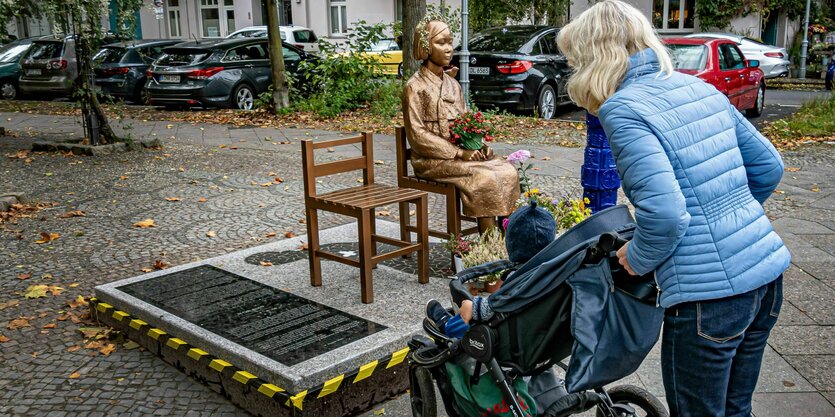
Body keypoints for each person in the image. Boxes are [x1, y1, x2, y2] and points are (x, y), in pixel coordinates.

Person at [552, 1, 791, 416]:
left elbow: (665, 216)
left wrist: (639, 258)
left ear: (594, 57)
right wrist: (729, 222)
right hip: (766, 277)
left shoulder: (623, 108)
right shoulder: (697, 86)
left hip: (709, 300)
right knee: (736, 410)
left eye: (575, 60)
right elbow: (769, 168)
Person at [402, 18, 519, 233]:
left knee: (507, 170)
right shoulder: (414, 87)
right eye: (441, 43)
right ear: (426, 47)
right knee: (484, 177)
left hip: (460, 154)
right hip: (430, 160)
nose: (448, 49)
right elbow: (417, 135)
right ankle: (490, 245)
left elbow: (467, 122)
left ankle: (508, 238)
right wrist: (458, 152)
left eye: (450, 42)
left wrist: (479, 144)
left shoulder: (453, 85)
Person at [428, 200, 557, 338]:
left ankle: (448, 326)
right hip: (543, 334)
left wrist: (472, 306)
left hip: (508, 337)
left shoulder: (518, 278)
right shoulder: (555, 270)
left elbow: (499, 304)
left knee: (468, 308)